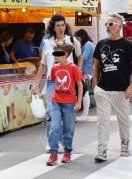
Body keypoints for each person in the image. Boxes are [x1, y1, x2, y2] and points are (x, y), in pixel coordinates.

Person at [92, 13, 132, 163]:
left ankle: (124, 144)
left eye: (111, 24)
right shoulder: (101, 44)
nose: (107, 26)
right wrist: (95, 86)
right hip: (103, 89)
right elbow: (96, 65)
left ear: (119, 27)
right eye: (106, 24)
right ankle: (102, 150)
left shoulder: (127, 45)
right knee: (102, 121)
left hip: (121, 90)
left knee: (123, 120)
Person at [32, 14, 83, 153]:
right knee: (51, 112)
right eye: (58, 26)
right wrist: (36, 84)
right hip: (52, 81)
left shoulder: (71, 40)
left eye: (63, 25)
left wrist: (78, 70)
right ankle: (51, 141)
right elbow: (43, 65)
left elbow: (79, 57)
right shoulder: (47, 42)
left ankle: (62, 141)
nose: (61, 28)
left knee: (66, 114)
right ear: (53, 28)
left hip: (67, 82)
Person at [41, 41, 83, 166]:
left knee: (68, 128)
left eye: (57, 54)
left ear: (65, 54)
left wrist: (79, 101)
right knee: (54, 126)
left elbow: (79, 84)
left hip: (69, 102)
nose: (55, 56)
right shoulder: (54, 67)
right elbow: (54, 82)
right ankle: (53, 153)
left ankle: (67, 152)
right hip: (56, 101)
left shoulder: (73, 67)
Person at [74, 29, 94, 121]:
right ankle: (84, 113)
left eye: (78, 38)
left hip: (86, 72)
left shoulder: (88, 45)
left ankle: (85, 114)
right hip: (82, 72)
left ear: (82, 37)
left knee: (85, 92)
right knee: (83, 92)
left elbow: (84, 58)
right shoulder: (84, 44)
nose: (77, 40)